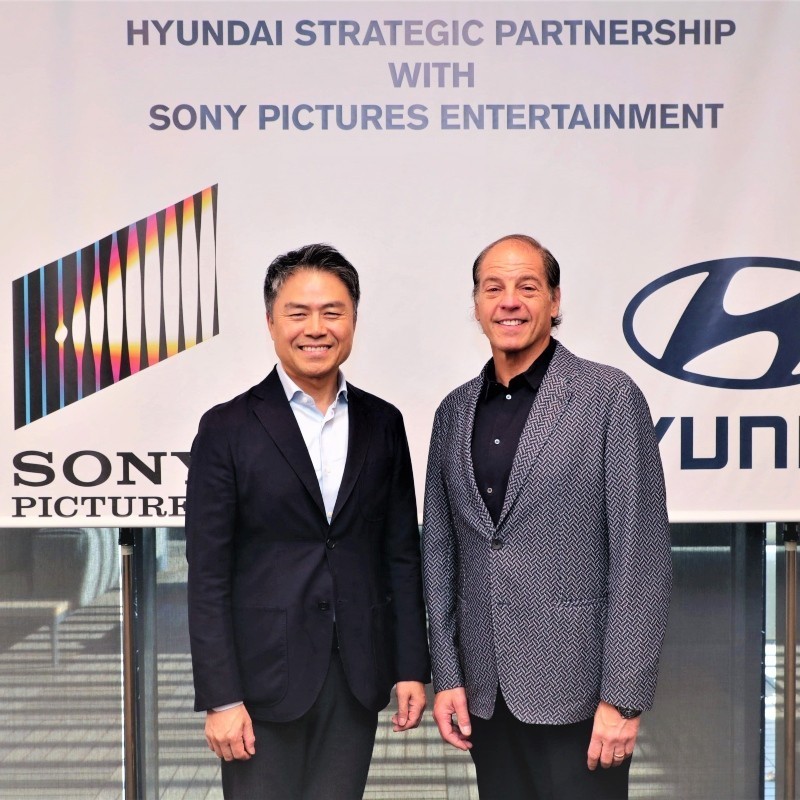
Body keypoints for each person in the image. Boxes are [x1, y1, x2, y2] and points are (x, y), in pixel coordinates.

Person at [422, 234, 672, 799]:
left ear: (555, 301)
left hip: (581, 697)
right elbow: (440, 552)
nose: (509, 301)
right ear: (476, 305)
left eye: (527, 287)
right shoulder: (453, 411)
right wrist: (449, 674)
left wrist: (623, 699)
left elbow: (641, 558)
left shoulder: (608, 397)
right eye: (494, 288)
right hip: (487, 696)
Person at [186, 243, 430, 800]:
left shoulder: (383, 422)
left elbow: (399, 554)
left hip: (355, 676)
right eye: (298, 313)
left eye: (332, 312)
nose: (316, 329)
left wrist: (411, 666)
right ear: (271, 322)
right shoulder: (227, 428)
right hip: (260, 683)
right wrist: (222, 698)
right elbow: (208, 574)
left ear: (353, 320)